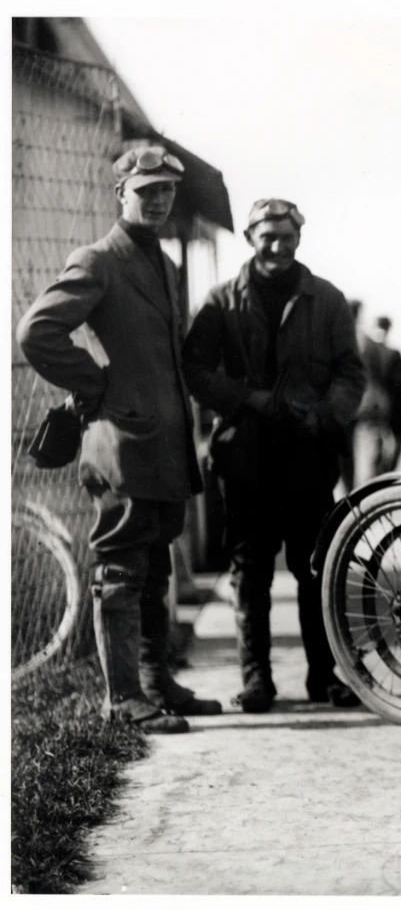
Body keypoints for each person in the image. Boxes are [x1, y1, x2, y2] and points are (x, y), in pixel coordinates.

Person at [17, 145, 220, 733]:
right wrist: (94, 384)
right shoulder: (99, 260)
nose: (157, 201)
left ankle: (158, 684)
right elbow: (38, 332)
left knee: (156, 567)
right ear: (120, 195)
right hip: (122, 444)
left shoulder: (164, 265)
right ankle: (122, 698)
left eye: (166, 192)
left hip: (163, 444)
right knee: (122, 571)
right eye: (146, 191)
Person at [182, 198, 366, 713]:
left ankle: (324, 677)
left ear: (299, 239)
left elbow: (352, 373)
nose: (279, 246)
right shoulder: (220, 302)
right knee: (251, 570)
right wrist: (246, 397)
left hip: (308, 456)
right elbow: (195, 369)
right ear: (249, 238)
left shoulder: (326, 300)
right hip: (245, 460)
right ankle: (256, 679)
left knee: (316, 568)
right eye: (268, 237)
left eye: (287, 236)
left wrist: (326, 413)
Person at [343, 302, 401, 488]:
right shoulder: (363, 341)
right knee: (363, 457)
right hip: (364, 407)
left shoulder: (363, 341)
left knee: (366, 456)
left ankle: (365, 493)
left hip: (365, 408)